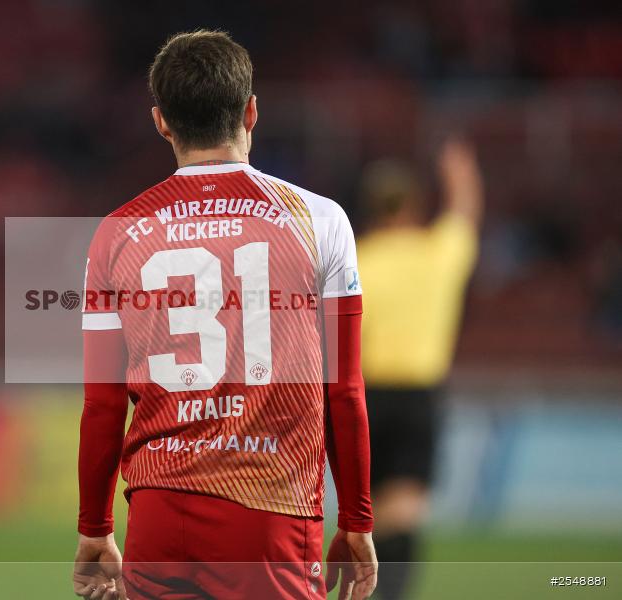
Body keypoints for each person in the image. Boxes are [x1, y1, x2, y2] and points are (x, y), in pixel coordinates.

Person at [73, 30, 377, 600]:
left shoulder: (115, 233)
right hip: (269, 512)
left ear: (161, 122)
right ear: (251, 112)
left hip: (158, 516)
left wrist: (95, 527)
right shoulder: (319, 219)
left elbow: (103, 404)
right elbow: (344, 388)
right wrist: (357, 519)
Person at [356, 139, 484, 599]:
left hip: (365, 394)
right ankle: (392, 592)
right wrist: (459, 169)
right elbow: (465, 214)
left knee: (370, 508)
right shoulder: (435, 255)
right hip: (417, 394)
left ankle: (372, 588)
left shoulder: (357, 258)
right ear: (413, 204)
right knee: (406, 506)